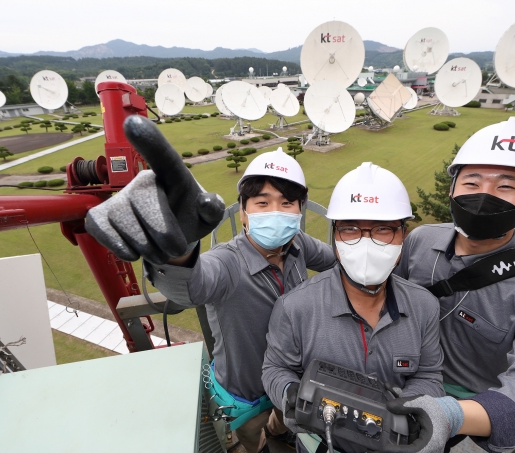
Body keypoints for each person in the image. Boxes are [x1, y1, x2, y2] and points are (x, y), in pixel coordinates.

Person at [86, 116, 336, 453]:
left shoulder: (299, 246)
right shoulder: (228, 262)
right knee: (255, 443)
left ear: (299, 210)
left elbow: (337, 262)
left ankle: (279, 434)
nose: (276, 211)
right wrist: (177, 253)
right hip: (247, 397)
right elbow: (192, 287)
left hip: (289, 383)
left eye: (287, 203)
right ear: (244, 213)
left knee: (283, 426)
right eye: (262, 203)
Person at [388, 117, 515, 452]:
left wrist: (452, 415)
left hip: (469, 415)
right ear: (452, 188)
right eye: (472, 183)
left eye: (506, 187)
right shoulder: (421, 240)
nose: (484, 196)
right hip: (398, 376)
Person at [262, 162, 445, 453]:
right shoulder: (295, 307)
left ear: (403, 235)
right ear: (334, 237)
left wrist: (405, 416)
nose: (366, 243)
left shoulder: (424, 306)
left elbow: (428, 374)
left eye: (383, 230)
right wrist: (289, 394)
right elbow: (276, 367)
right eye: (350, 229)